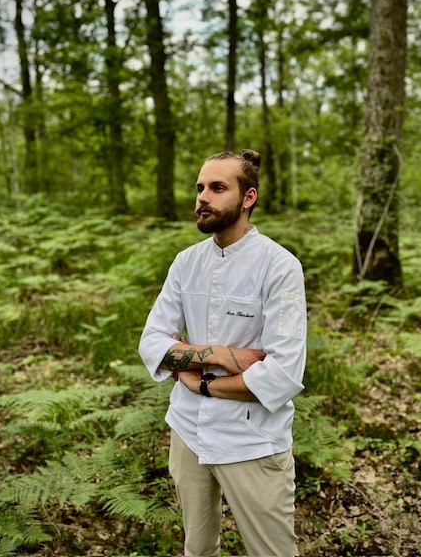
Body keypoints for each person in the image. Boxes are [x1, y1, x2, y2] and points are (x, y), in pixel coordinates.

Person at [139, 149, 307, 557]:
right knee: (197, 550)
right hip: (187, 432)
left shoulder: (279, 267)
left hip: (251, 439)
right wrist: (218, 353)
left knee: (273, 553)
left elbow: (281, 374)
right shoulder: (186, 263)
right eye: (200, 188)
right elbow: (152, 343)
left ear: (247, 197)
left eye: (217, 188)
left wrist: (205, 386)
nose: (202, 198)